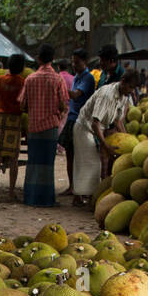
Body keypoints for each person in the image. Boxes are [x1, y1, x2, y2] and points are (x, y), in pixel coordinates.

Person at [72, 71, 140, 208]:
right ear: (123, 81)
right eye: (130, 87)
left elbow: (118, 121)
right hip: (84, 127)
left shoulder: (123, 97)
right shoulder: (107, 95)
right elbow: (95, 123)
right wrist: (105, 145)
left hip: (95, 129)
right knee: (89, 163)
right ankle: (79, 197)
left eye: (133, 88)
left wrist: (129, 140)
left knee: (92, 164)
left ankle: (87, 197)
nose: (131, 91)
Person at [19, 44, 68, 207]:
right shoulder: (58, 79)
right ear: (53, 59)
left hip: (33, 127)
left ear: (39, 59)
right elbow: (64, 104)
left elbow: (22, 104)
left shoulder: (30, 79)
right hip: (50, 127)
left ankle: (31, 198)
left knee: (33, 163)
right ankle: (46, 199)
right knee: (47, 164)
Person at [0, 53, 26, 202]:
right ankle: (11, 192)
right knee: (13, 158)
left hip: (0, 119)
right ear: (22, 68)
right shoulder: (23, 82)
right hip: (14, 120)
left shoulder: (0, 79)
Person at [60, 48, 96, 194]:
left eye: (77, 62)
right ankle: (72, 186)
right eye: (73, 63)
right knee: (70, 155)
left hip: (81, 120)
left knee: (79, 157)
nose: (74, 65)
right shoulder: (76, 77)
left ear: (85, 62)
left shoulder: (88, 78)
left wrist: (59, 86)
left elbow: (75, 95)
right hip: (71, 117)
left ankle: (79, 189)